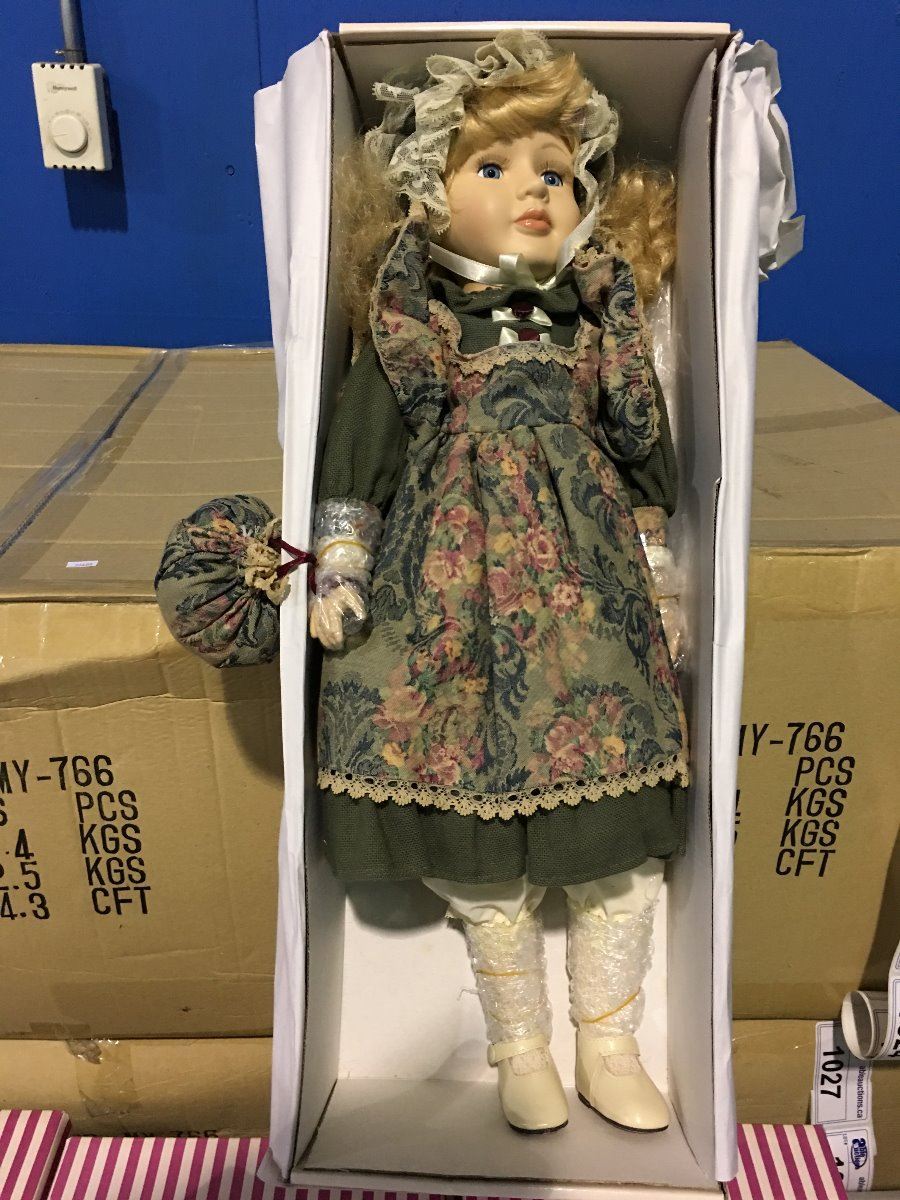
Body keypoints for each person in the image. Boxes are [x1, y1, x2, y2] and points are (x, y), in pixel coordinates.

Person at [308, 29, 690, 1135]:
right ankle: (520, 1047)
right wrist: (343, 556)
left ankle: (610, 1039)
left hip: (587, 594)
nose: (534, 189)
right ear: (431, 193)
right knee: (474, 828)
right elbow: (366, 443)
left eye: (556, 172)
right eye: (495, 165)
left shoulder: (594, 319)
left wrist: (659, 569)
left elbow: (641, 455)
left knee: (618, 817)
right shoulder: (417, 325)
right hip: (449, 587)